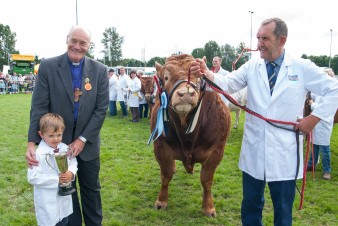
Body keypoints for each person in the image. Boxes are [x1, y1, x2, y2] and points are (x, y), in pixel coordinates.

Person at [191, 17, 338, 226]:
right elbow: (228, 83)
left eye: (265, 38)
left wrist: (313, 119)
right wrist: (207, 73)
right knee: (250, 206)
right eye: (258, 37)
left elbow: (334, 89)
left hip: (284, 155)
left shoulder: (301, 67)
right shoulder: (252, 66)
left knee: (283, 210)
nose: (259, 43)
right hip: (255, 150)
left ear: (282, 40)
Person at [25, 25, 109, 226]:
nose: (77, 46)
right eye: (74, 41)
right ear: (67, 39)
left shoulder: (100, 70)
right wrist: (31, 143)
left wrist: (82, 139)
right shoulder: (48, 66)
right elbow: (39, 106)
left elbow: (101, 109)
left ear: (89, 45)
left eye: (83, 43)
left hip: (87, 145)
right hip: (57, 145)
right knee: (65, 192)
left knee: (91, 191)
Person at [28, 113, 78, 226]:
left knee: (64, 221)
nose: (56, 139)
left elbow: (73, 162)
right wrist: (56, 180)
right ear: (41, 134)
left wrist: (71, 172)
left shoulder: (65, 148)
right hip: (47, 201)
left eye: (59, 135)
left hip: (63, 200)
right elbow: (32, 178)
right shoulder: (37, 155)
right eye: (51, 136)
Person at [306, 68, 336, 180]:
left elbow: (322, 108)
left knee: (324, 148)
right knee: (314, 146)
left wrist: (312, 104)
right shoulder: (320, 92)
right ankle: (311, 164)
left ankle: (327, 170)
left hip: (324, 124)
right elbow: (313, 94)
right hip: (316, 125)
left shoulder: (331, 94)